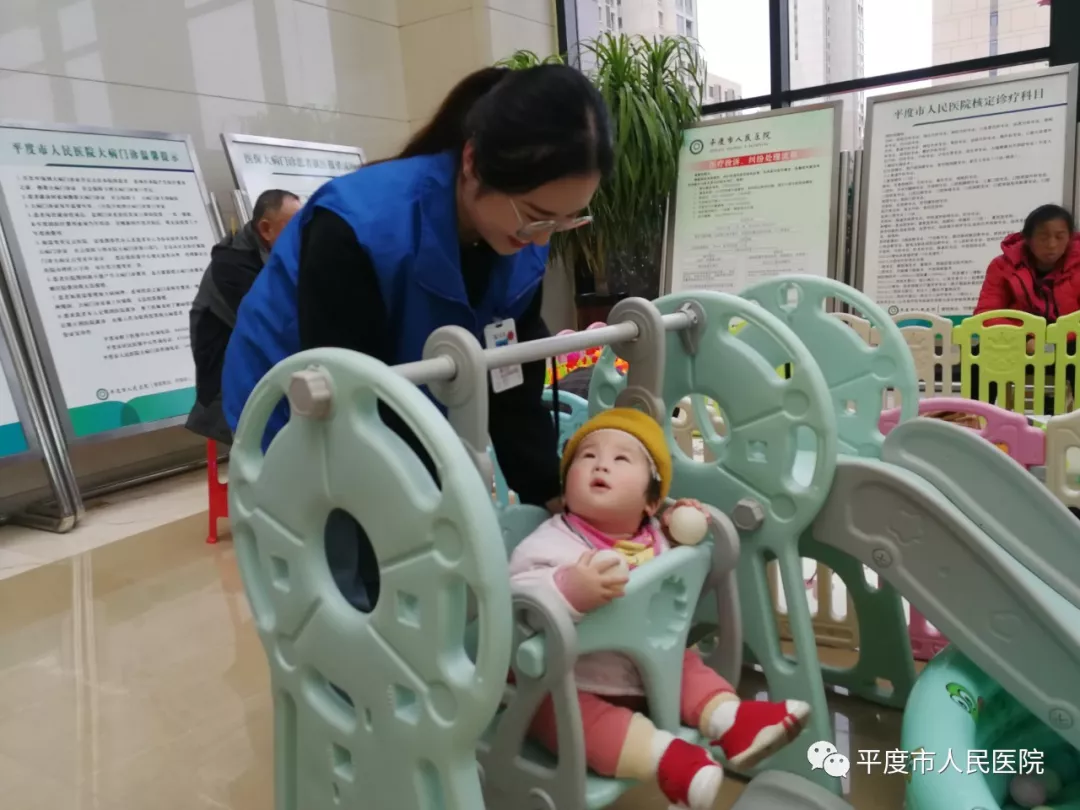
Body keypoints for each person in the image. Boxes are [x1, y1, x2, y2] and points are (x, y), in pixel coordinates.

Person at [221, 64, 613, 610]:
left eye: (565, 221)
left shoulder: (521, 243)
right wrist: (431, 499)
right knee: (346, 568)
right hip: (301, 404)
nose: (542, 238)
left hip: (402, 389)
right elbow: (353, 411)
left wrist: (549, 489)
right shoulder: (358, 224)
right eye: (536, 216)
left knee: (419, 556)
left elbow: (510, 379)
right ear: (473, 162)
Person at [509, 409, 810, 810]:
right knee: (559, 717)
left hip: (651, 674)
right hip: (572, 681)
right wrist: (566, 588)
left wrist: (682, 532)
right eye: (587, 457)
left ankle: (732, 720)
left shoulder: (654, 537)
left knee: (688, 666)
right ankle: (670, 761)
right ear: (565, 494)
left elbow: (678, 578)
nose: (601, 464)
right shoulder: (552, 542)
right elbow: (518, 598)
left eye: (621, 459)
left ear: (651, 502)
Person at [186, 189, 302, 444]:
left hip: (267, 380)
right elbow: (274, 328)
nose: (301, 233)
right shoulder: (231, 267)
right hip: (231, 389)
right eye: (294, 226)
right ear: (266, 229)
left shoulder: (276, 256)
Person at [974, 204, 1080, 323]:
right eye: (1043, 237)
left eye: (1060, 237)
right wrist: (1022, 334)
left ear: (1070, 238)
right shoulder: (1002, 266)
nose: (1052, 245)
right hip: (1018, 333)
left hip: (1070, 333)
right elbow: (986, 314)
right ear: (1028, 239)